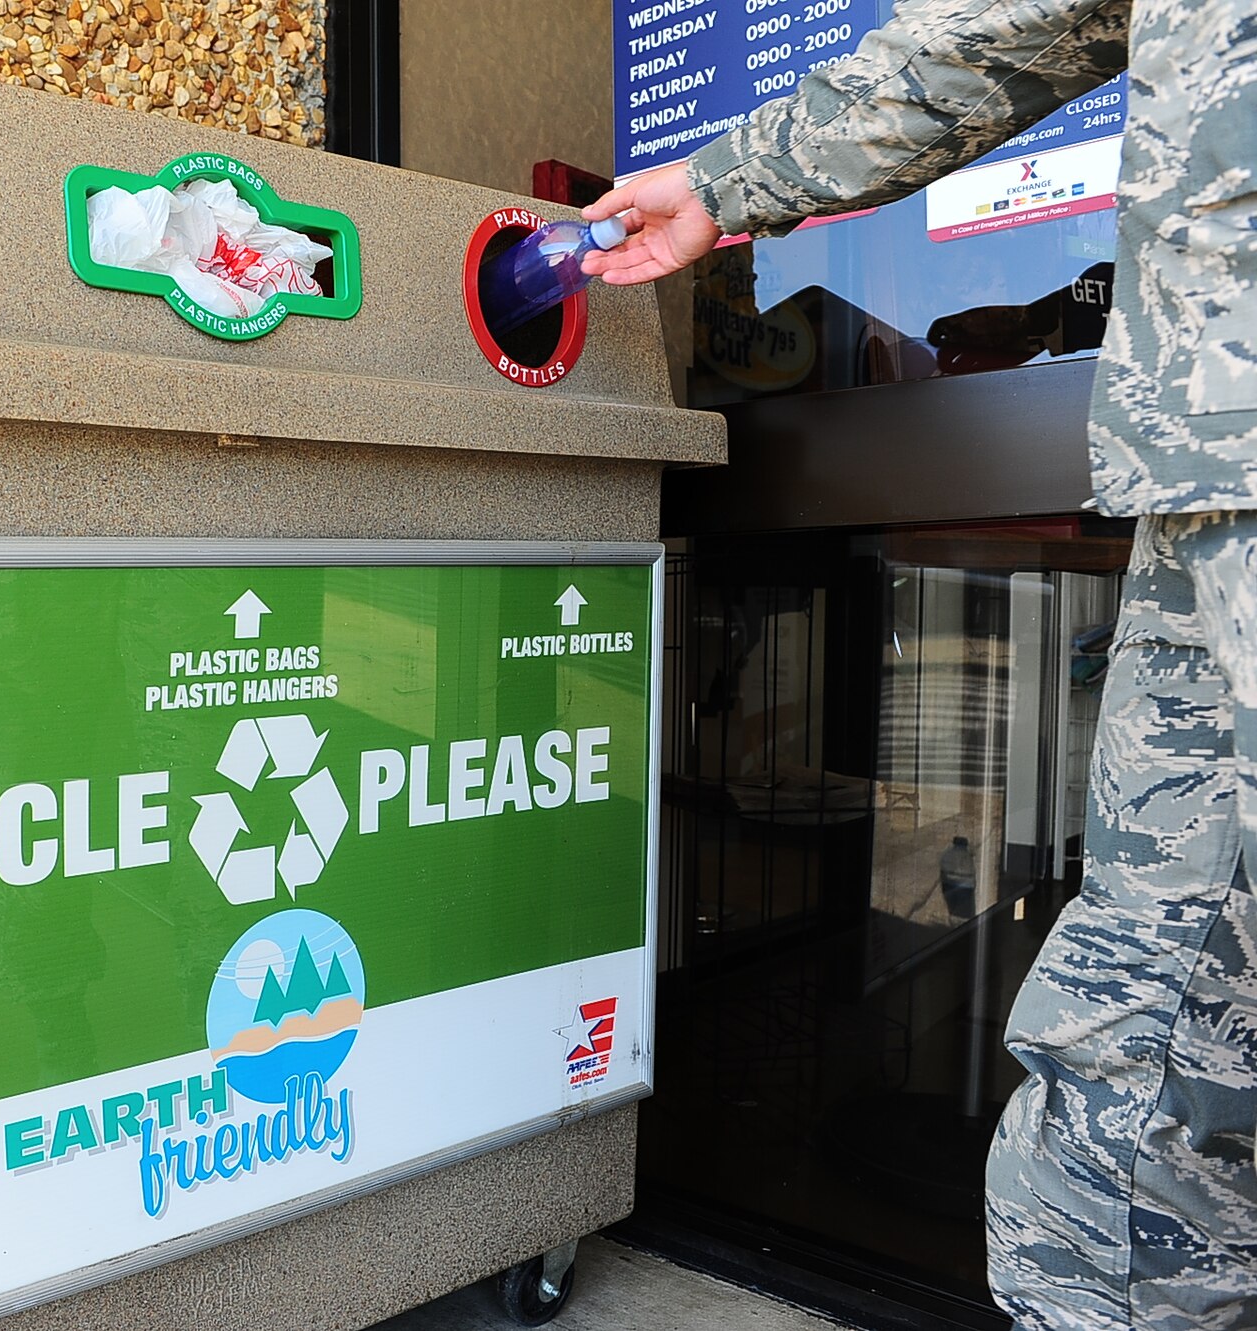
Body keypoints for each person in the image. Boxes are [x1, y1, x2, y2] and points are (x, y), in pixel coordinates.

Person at [579, 1, 1256, 1326]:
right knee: (1153, 1033)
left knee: (1149, 1045)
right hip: (1213, 475)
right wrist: (726, 183)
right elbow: (1008, 35)